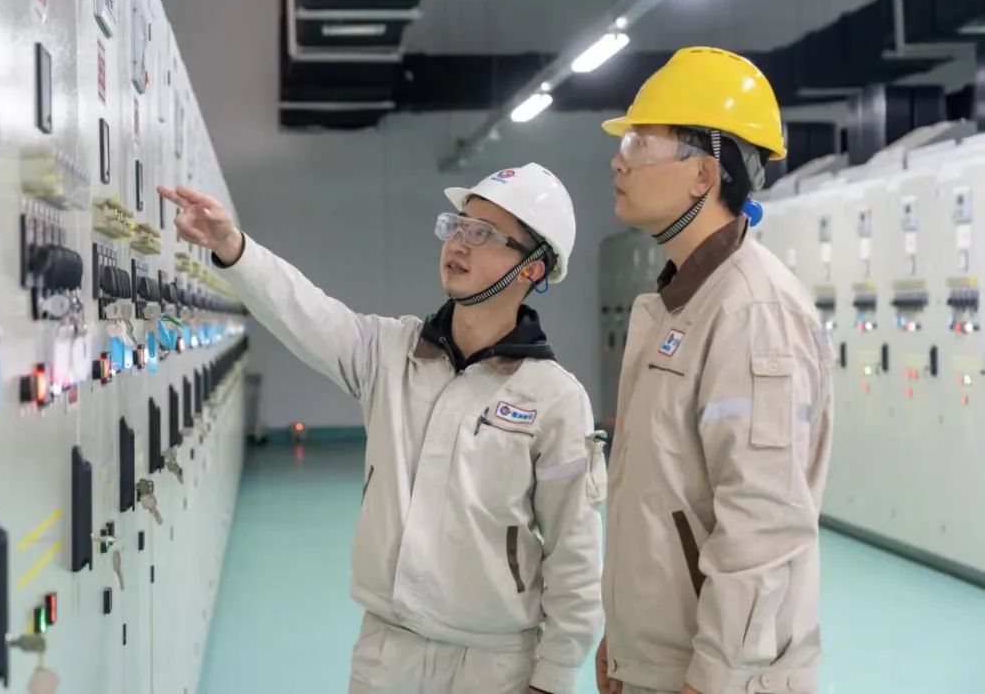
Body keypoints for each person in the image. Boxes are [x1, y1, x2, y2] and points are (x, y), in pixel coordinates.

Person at [158, 162, 606, 694]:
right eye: (458, 226)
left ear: (532, 268)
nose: (458, 244)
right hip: (387, 653)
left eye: (484, 234)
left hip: (497, 665)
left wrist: (554, 678)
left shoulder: (553, 398)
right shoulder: (391, 353)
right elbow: (306, 312)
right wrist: (232, 247)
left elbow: (575, 553)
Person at [594, 47, 834, 694]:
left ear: (703, 174)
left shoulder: (752, 311)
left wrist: (715, 677)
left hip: (722, 675)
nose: (619, 160)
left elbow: (763, 524)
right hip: (665, 662)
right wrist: (626, 639)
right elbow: (665, 497)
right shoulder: (680, 303)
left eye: (641, 143)